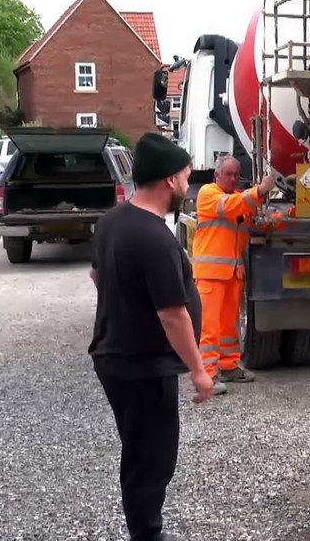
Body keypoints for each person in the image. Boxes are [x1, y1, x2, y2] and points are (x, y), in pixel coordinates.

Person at [89, 133, 212, 541]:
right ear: (168, 180)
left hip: (117, 357)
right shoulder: (154, 238)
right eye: (185, 176)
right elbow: (173, 314)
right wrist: (198, 370)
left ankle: (144, 528)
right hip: (141, 366)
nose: (187, 184)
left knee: (141, 449)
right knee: (151, 458)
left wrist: (125, 308)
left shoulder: (112, 221)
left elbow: (97, 276)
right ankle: (146, 534)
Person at [191, 155, 277, 394]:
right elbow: (230, 207)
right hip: (210, 274)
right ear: (216, 175)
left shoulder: (237, 198)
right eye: (227, 174)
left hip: (231, 273)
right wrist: (259, 190)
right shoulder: (208, 194)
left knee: (229, 326)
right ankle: (207, 375)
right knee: (209, 327)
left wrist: (286, 216)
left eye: (235, 174)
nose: (232, 178)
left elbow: (253, 220)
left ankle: (228, 367)